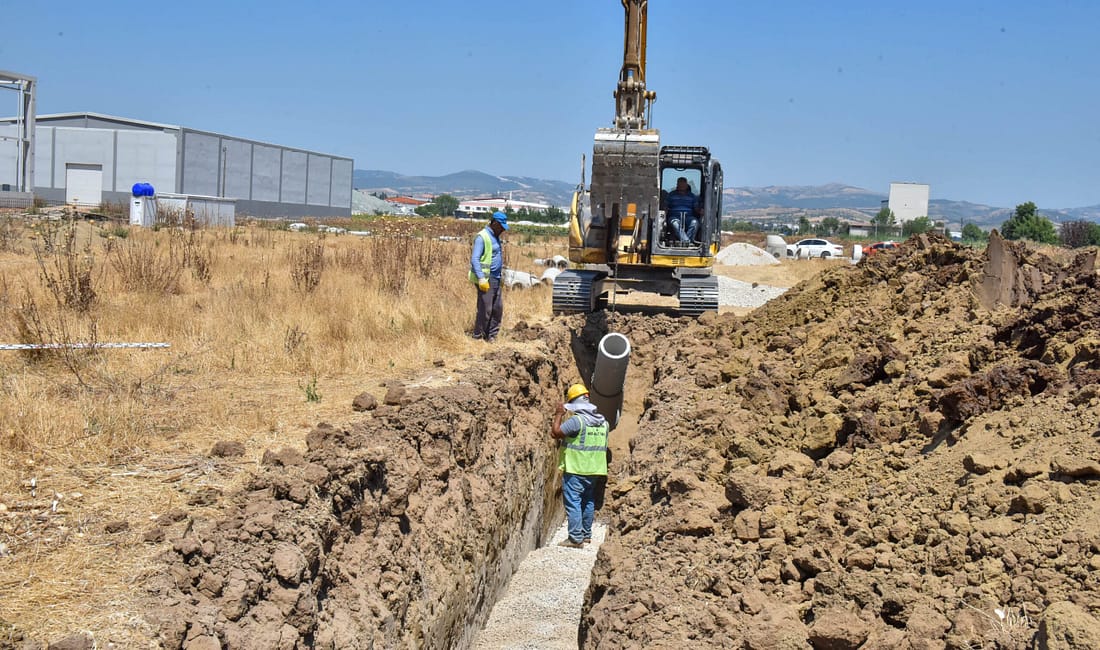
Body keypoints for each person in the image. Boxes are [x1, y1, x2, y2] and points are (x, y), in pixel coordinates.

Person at [551, 383, 609, 548]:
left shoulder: (578, 421)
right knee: (588, 500)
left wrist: (559, 414)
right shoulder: (603, 422)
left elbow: (555, 433)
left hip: (577, 468)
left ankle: (575, 538)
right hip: (595, 469)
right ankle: (586, 534)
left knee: (573, 501)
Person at [469, 211, 508, 341]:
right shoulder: (482, 236)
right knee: (486, 308)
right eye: (501, 226)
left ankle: (492, 336)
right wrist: (481, 278)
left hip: (496, 278)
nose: (503, 230)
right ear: (495, 223)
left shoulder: (495, 236)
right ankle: (478, 337)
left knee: (497, 309)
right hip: (486, 278)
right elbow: (475, 259)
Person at [665, 176, 701, 244]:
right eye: (679, 184)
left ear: (686, 185)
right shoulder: (671, 195)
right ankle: (686, 241)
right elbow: (666, 206)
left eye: (683, 184)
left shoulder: (692, 196)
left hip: (688, 217)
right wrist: (664, 212)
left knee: (694, 223)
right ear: (677, 185)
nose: (681, 186)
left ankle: (687, 241)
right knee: (675, 223)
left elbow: (696, 208)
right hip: (674, 216)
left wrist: (701, 211)